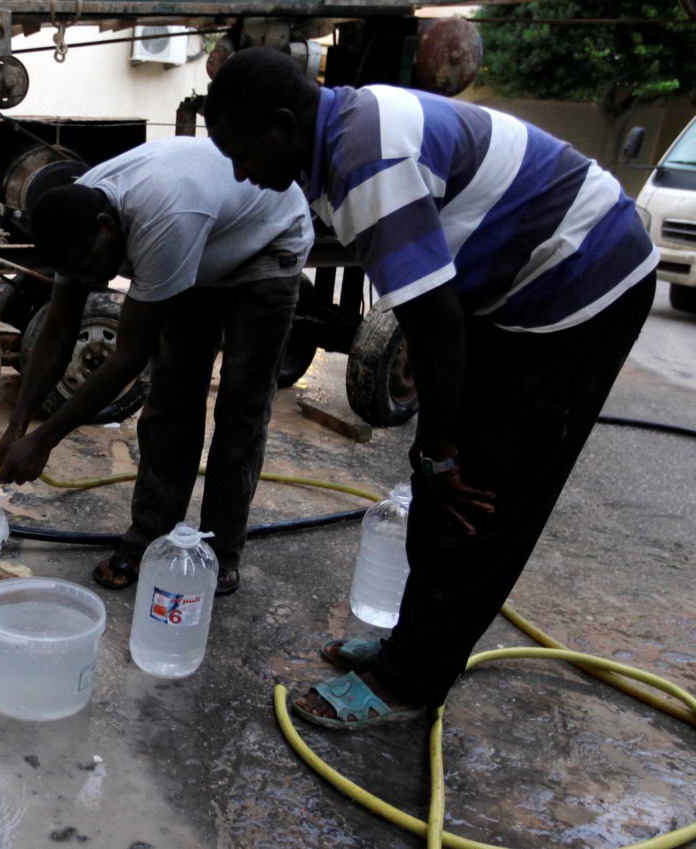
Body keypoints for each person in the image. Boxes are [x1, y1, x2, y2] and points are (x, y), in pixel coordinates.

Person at [203, 47, 658, 727]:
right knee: (445, 479)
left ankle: (408, 684)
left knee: (482, 493)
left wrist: (438, 450)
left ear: (280, 124)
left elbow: (437, 323)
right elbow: (427, 300)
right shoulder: (339, 135)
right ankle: (409, 646)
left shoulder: (363, 165)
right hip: (521, 281)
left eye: (240, 152)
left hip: (581, 281)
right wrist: (434, 450)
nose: (240, 171)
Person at [0, 135, 315, 597]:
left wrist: (46, 439)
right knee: (172, 399)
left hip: (265, 245)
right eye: (76, 272)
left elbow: (128, 356)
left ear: (106, 225)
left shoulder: (163, 218)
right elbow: (60, 327)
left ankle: (220, 552)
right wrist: (18, 423)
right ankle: (148, 540)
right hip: (199, 244)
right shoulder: (76, 219)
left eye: (89, 266)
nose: (89, 279)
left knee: (240, 410)